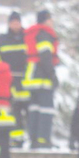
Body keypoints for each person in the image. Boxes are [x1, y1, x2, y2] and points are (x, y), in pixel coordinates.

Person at [24, 8, 58, 148]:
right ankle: (43, 140)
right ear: (45, 20)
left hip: (31, 76)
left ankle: (34, 139)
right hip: (42, 77)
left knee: (34, 109)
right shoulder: (44, 34)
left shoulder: (33, 33)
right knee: (46, 109)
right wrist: (52, 76)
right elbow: (45, 57)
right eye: (50, 19)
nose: (52, 22)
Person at [0, 10, 29, 147]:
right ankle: (16, 139)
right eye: (13, 22)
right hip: (9, 81)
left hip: (26, 81)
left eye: (17, 22)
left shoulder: (28, 38)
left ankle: (32, 139)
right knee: (14, 111)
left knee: (29, 111)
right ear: (9, 24)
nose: (15, 25)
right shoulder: (1, 40)